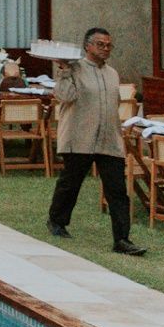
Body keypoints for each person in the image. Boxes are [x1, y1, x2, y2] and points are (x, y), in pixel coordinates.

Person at [47, 27, 147, 256]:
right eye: (100, 44)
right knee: (71, 183)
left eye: (109, 45)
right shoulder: (74, 69)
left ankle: (122, 239)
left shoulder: (112, 73)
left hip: (109, 139)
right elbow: (64, 97)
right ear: (88, 46)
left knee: (117, 190)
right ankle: (57, 220)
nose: (105, 49)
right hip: (79, 136)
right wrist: (63, 70)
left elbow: (114, 103)